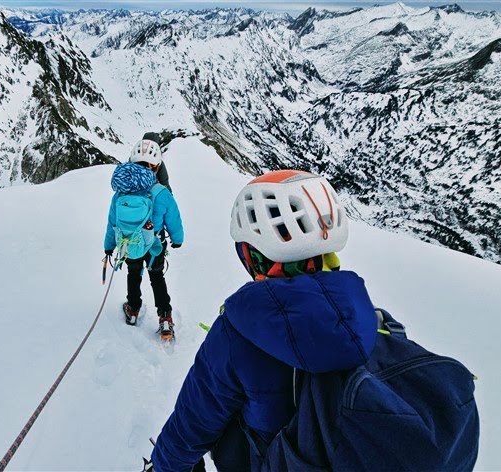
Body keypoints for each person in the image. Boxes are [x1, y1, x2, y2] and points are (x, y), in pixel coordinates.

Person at [150, 170, 377, 470]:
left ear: (252, 256)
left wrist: (163, 466)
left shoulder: (238, 333)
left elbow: (191, 426)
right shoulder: (370, 319)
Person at [104, 142, 184, 339]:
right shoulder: (162, 193)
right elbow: (173, 219)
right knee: (157, 277)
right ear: (156, 166)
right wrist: (177, 239)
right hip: (154, 245)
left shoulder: (120, 193)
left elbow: (112, 222)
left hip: (129, 244)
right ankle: (165, 318)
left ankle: (132, 310)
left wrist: (109, 246)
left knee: (133, 274)